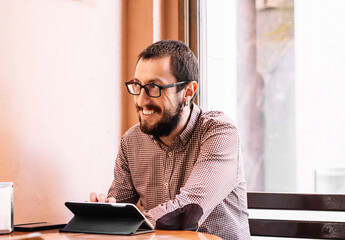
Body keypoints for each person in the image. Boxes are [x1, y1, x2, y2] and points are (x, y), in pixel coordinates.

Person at [90, 40, 251, 239]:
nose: (141, 100)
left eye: (154, 87)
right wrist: (105, 214)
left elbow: (188, 212)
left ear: (188, 92)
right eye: (137, 86)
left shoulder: (219, 131)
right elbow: (121, 207)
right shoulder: (131, 141)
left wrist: (127, 222)